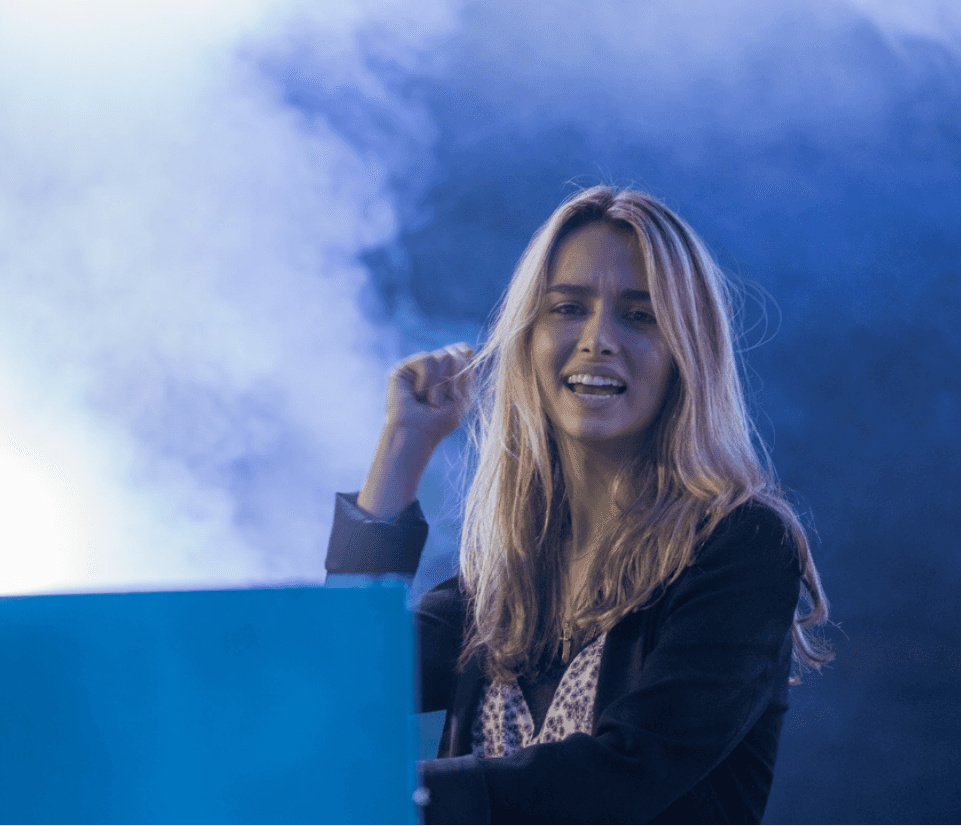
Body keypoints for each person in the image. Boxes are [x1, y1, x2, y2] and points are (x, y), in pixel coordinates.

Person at [325, 186, 831, 824]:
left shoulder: (744, 546)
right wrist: (403, 446)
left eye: (640, 315)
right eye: (567, 307)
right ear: (528, 340)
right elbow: (337, 686)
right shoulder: (492, 589)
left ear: (688, 354)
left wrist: (395, 795)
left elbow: (628, 772)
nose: (599, 339)